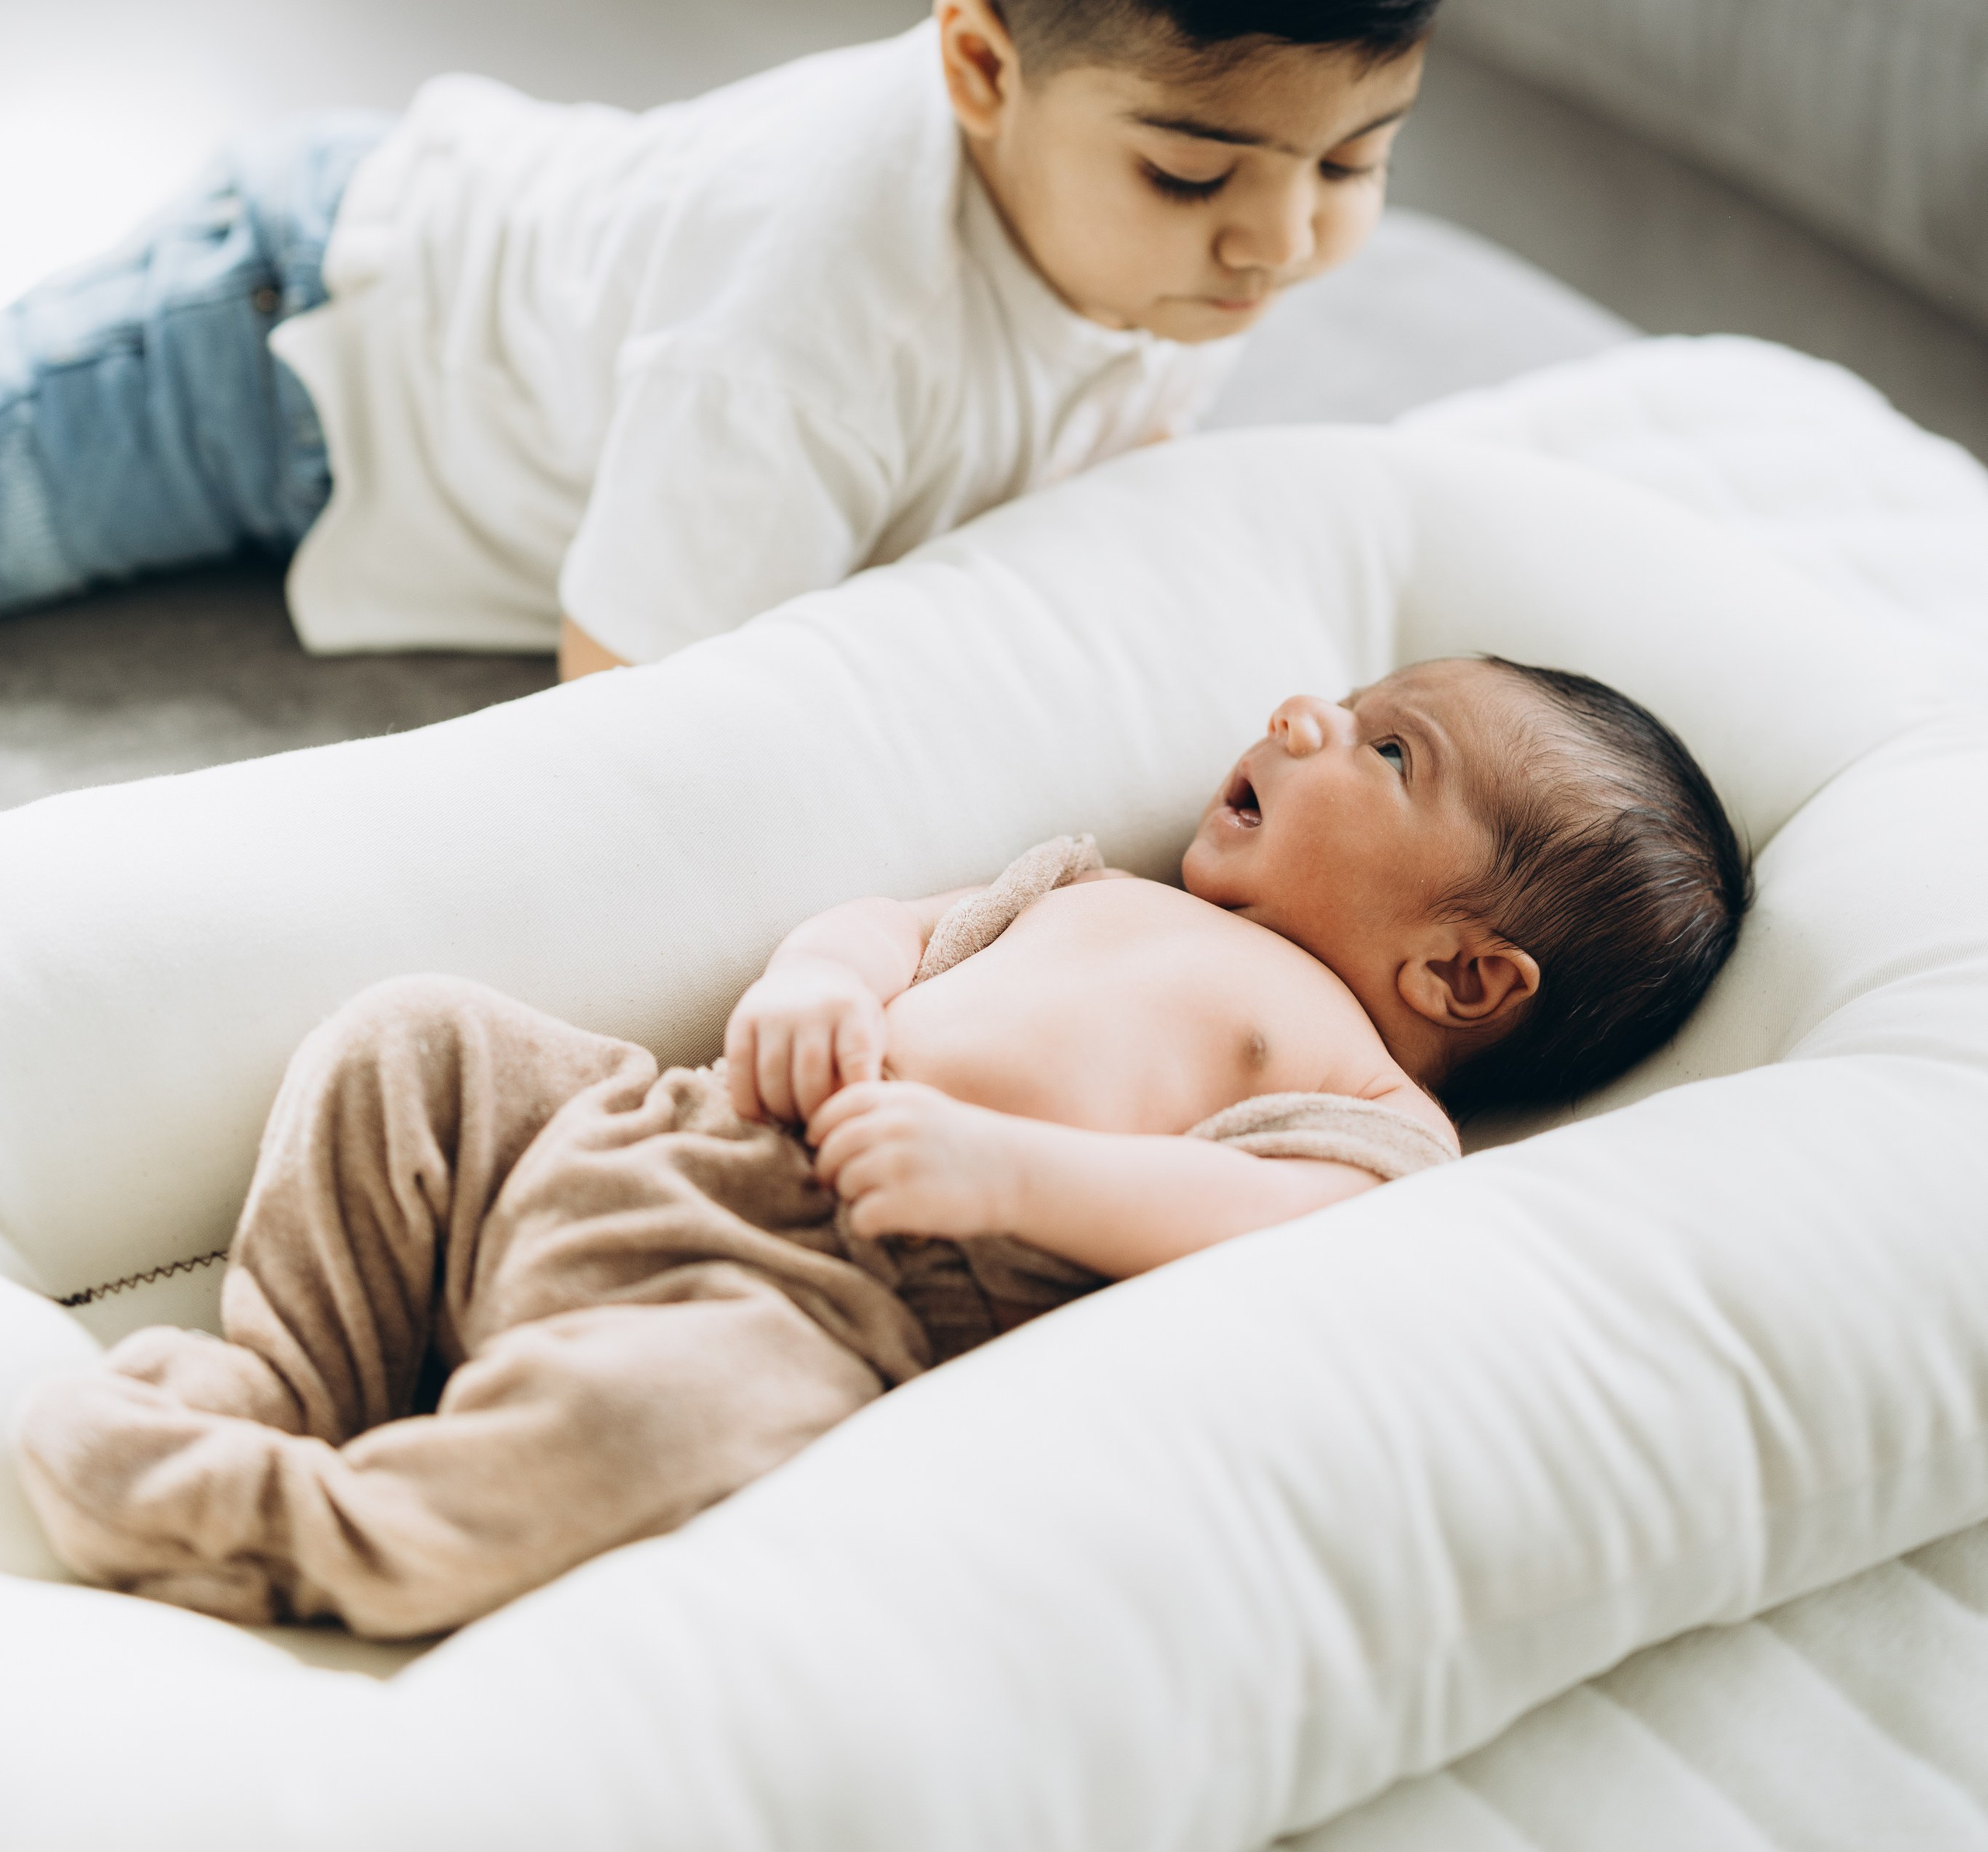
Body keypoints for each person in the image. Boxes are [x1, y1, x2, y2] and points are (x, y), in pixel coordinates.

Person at [18, 656, 1750, 1639]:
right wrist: (818, 978)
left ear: (1463, 974)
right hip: (662, 1124)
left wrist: (1009, 1176)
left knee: (653, 1428)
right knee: (414, 1038)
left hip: (824, 1298)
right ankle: (290, 1377)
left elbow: (1270, 1222)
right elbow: (894, 923)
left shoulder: (1371, 1106)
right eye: (1345, 698)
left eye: (1385, 750)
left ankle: (312, 1526)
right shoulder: (1093, 883)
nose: (1303, 716)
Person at [0, 0, 1466, 668]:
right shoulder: (801, 332)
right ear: (980, 67)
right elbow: (627, 709)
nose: (1281, 242)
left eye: (1353, 160)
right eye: (1191, 174)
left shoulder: (1190, 235)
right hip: (289, 338)